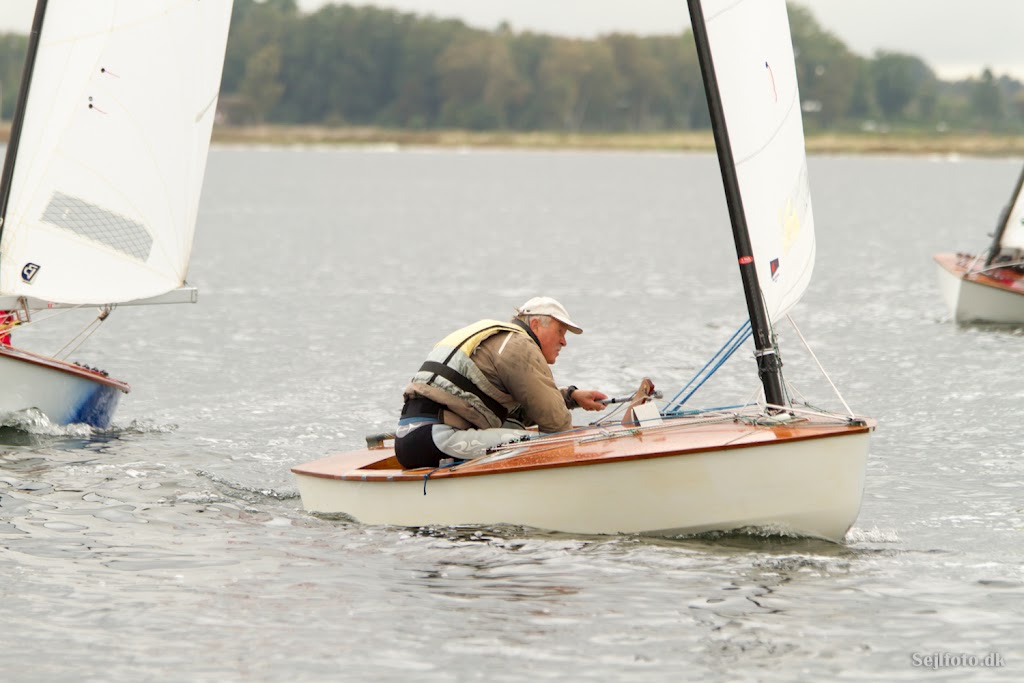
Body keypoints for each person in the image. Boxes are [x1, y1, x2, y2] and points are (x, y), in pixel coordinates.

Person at [395, 296, 608, 469]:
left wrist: (570, 397)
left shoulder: (496, 339)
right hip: (439, 439)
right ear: (535, 324)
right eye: (559, 331)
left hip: (410, 440)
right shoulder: (519, 345)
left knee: (513, 427)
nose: (564, 341)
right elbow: (557, 425)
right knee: (553, 444)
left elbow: (515, 414)